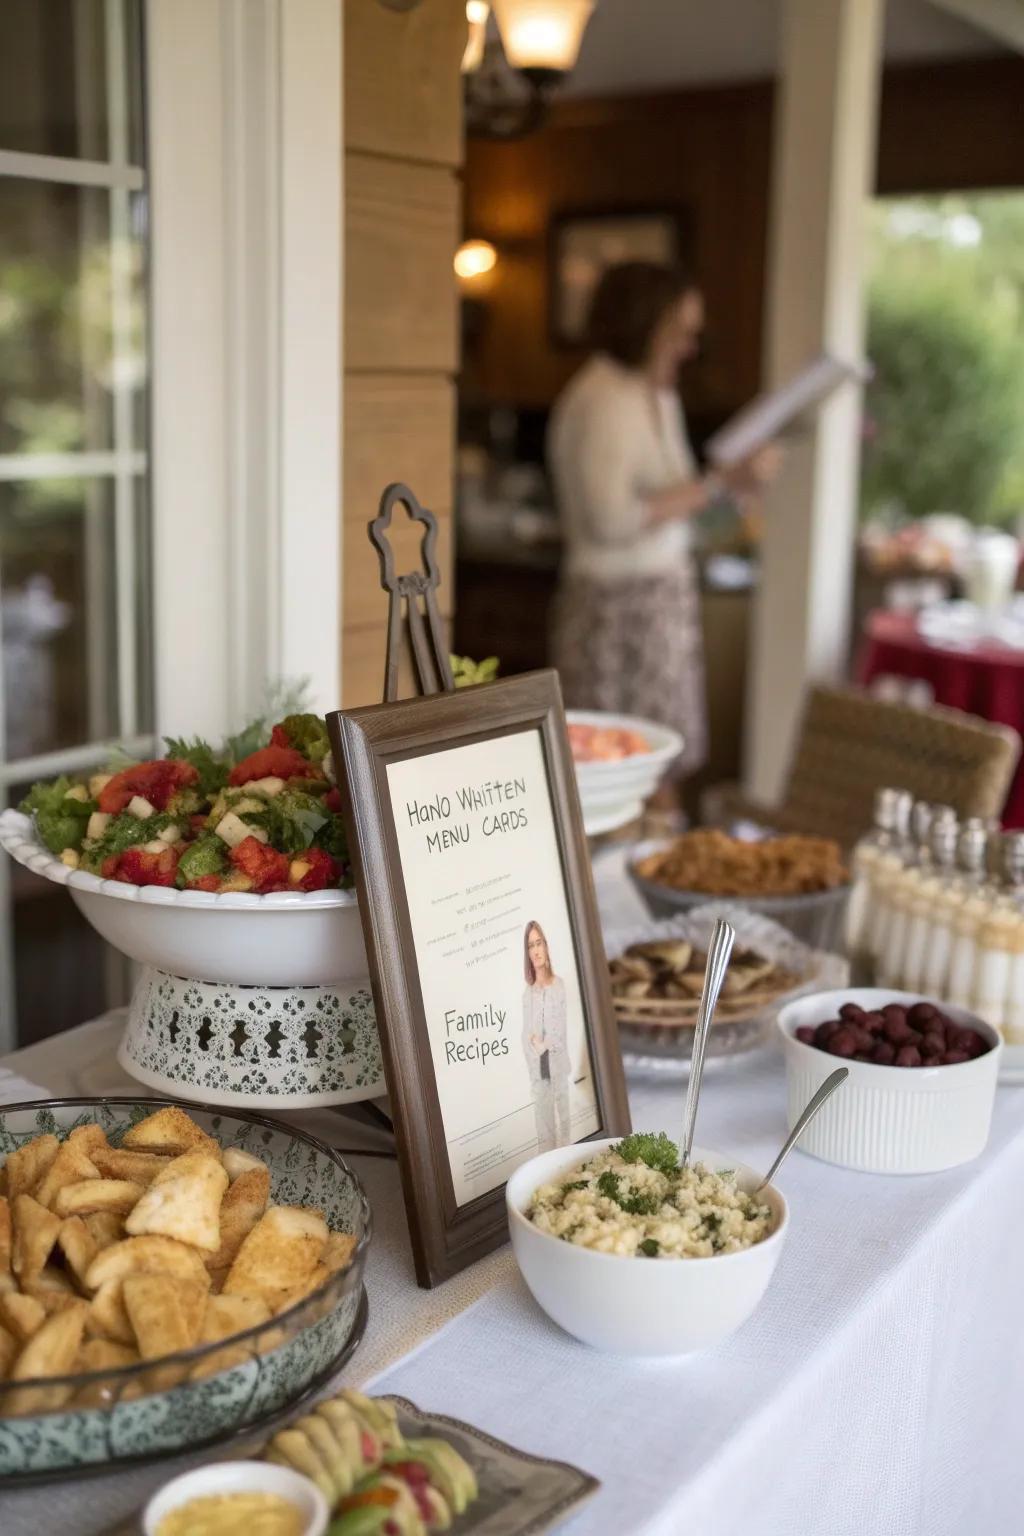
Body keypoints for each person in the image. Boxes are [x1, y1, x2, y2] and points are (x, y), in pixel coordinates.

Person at [548, 260, 779, 792]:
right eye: (680, 331)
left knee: (663, 765)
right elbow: (610, 521)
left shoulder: (658, 395)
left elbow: (682, 514)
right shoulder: (602, 399)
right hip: (614, 610)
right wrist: (718, 483)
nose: (689, 347)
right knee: (610, 768)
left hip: (662, 600)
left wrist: (736, 489)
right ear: (643, 325)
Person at [521, 920, 570, 1151]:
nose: (536, 950)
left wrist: (542, 1044)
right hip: (538, 1075)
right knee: (544, 1137)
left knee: (564, 1130)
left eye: (539, 943)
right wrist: (536, 1045)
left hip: (558, 1069)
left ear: (546, 946)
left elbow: (559, 1032)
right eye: (531, 945)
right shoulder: (528, 994)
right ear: (528, 953)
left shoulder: (558, 986)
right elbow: (526, 1035)